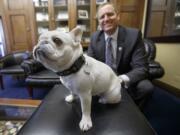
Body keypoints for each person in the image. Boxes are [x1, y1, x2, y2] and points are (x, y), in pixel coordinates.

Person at [87, 2, 154, 109]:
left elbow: (142, 68)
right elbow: (89, 65)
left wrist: (120, 80)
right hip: (103, 79)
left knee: (146, 87)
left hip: (126, 77)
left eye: (110, 14)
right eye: (102, 17)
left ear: (118, 16)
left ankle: (135, 112)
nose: (106, 19)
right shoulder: (94, 38)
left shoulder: (134, 35)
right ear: (99, 21)